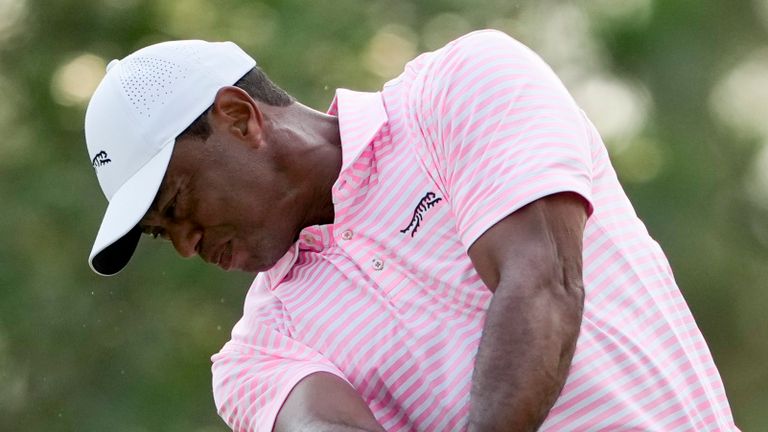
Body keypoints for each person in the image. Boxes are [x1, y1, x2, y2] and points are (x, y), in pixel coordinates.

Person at [84, 30, 739, 431]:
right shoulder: (256, 353)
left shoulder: (460, 88)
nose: (185, 243)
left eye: (175, 204)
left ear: (237, 117)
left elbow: (541, 285)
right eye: (158, 235)